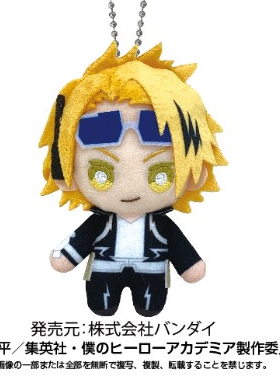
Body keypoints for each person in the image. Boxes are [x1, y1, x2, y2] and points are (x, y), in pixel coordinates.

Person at [39, 42, 226, 316]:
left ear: (195, 175)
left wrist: (190, 265)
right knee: (102, 305)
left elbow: (182, 250)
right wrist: (66, 256)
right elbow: (79, 242)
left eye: (160, 175)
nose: (129, 189)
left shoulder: (161, 226)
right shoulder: (100, 223)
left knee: (150, 306)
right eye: (101, 174)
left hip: (151, 272)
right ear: (65, 174)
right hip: (105, 269)